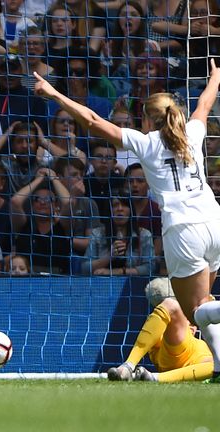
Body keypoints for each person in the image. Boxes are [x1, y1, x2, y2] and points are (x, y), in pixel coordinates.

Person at [33, 59, 220, 382]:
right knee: (205, 305)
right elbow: (204, 103)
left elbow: (91, 120)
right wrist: (216, 77)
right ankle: (219, 365)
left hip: (182, 230)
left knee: (195, 312)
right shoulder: (192, 132)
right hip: (214, 222)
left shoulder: (145, 143)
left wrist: (54, 94)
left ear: (147, 119)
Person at [108, 278, 213, 383]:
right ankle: (128, 366)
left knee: (215, 366)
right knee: (171, 305)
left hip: (192, 364)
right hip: (179, 351)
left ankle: (150, 377)